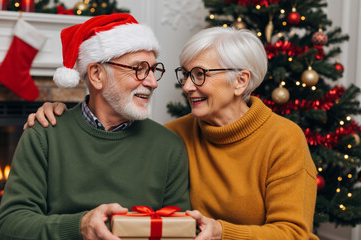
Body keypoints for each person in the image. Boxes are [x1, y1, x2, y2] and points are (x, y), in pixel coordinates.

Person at [26, 27, 319, 239]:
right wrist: (61, 114)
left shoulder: (283, 139)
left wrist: (222, 233)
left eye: (200, 75)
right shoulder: (174, 135)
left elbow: (293, 233)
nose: (187, 86)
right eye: (185, 74)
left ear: (240, 82)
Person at [0, 13, 191, 240]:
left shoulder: (168, 147)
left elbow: (181, 230)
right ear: (97, 75)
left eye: (154, 70)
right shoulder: (44, 134)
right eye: (138, 69)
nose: (152, 82)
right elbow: (9, 226)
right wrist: (80, 226)